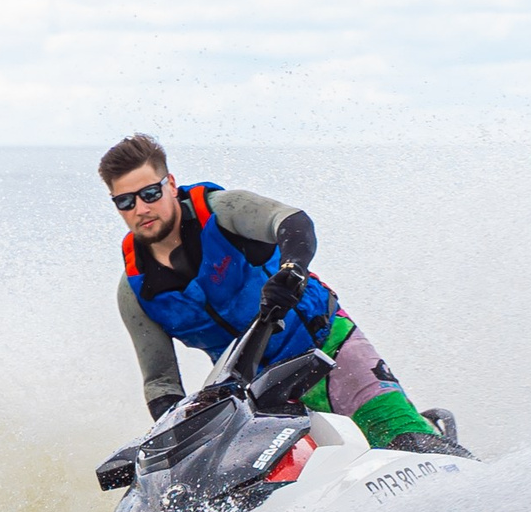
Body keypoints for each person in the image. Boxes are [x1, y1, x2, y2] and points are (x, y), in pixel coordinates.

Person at [99, 133, 467, 455]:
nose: (141, 208)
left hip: (328, 348)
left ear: (171, 184)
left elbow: (292, 222)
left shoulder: (224, 211)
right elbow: (161, 384)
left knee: (401, 440)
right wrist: (178, 435)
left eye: (150, 193)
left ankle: (449, 468)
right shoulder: (136, 292)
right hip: (261, 400)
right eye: (126, 201)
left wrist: (291, 270)